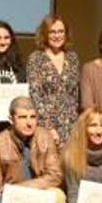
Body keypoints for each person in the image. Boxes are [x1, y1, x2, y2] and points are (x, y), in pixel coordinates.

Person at [27, 14, 81, 147]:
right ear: (45, 34)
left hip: (70, 126)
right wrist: (49, 128)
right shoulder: (36, 59)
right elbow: (35, 96)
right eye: (52, 32)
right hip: (45, 126)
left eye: (60, 31)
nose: (57, 36)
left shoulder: (73, 58)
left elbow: (75, 96)